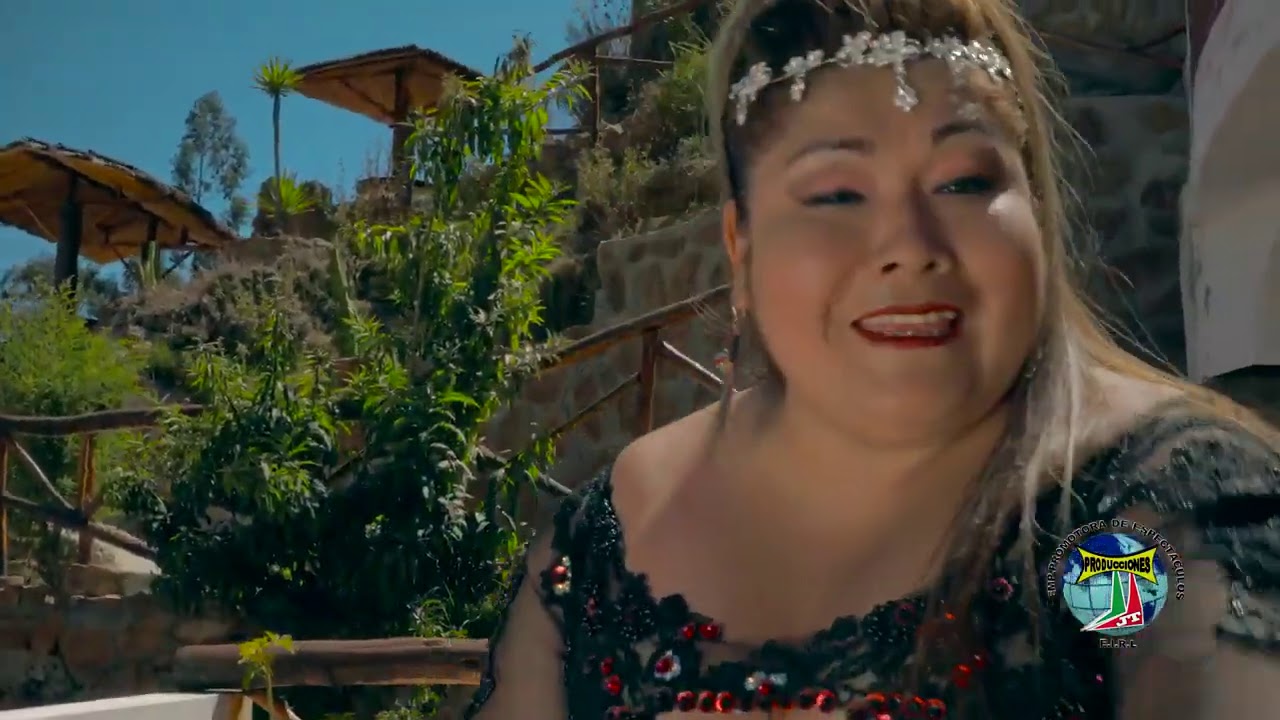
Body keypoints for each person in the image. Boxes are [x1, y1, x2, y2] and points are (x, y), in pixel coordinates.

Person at [464, 1, 1280, 718]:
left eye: (964, 182)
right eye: (836, 194)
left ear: (1036, 207)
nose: (910, 246)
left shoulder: (1149, 515)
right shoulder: (608, 537)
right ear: (741, 249)